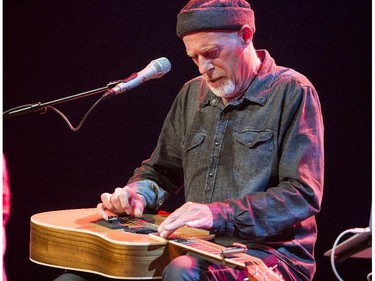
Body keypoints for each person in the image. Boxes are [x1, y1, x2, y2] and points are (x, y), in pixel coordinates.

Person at [57, 0, 324, 280]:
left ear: (245, 36)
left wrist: (217, 214)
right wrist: (136, 195)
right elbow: (161, 172)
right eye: (194, 58)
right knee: (74, 277)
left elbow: (301, 195)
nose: (203, 68)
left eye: (211, 53)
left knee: (184, 273)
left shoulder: (292, 91)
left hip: (268, 254)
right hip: (195, 246)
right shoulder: (191, 95)